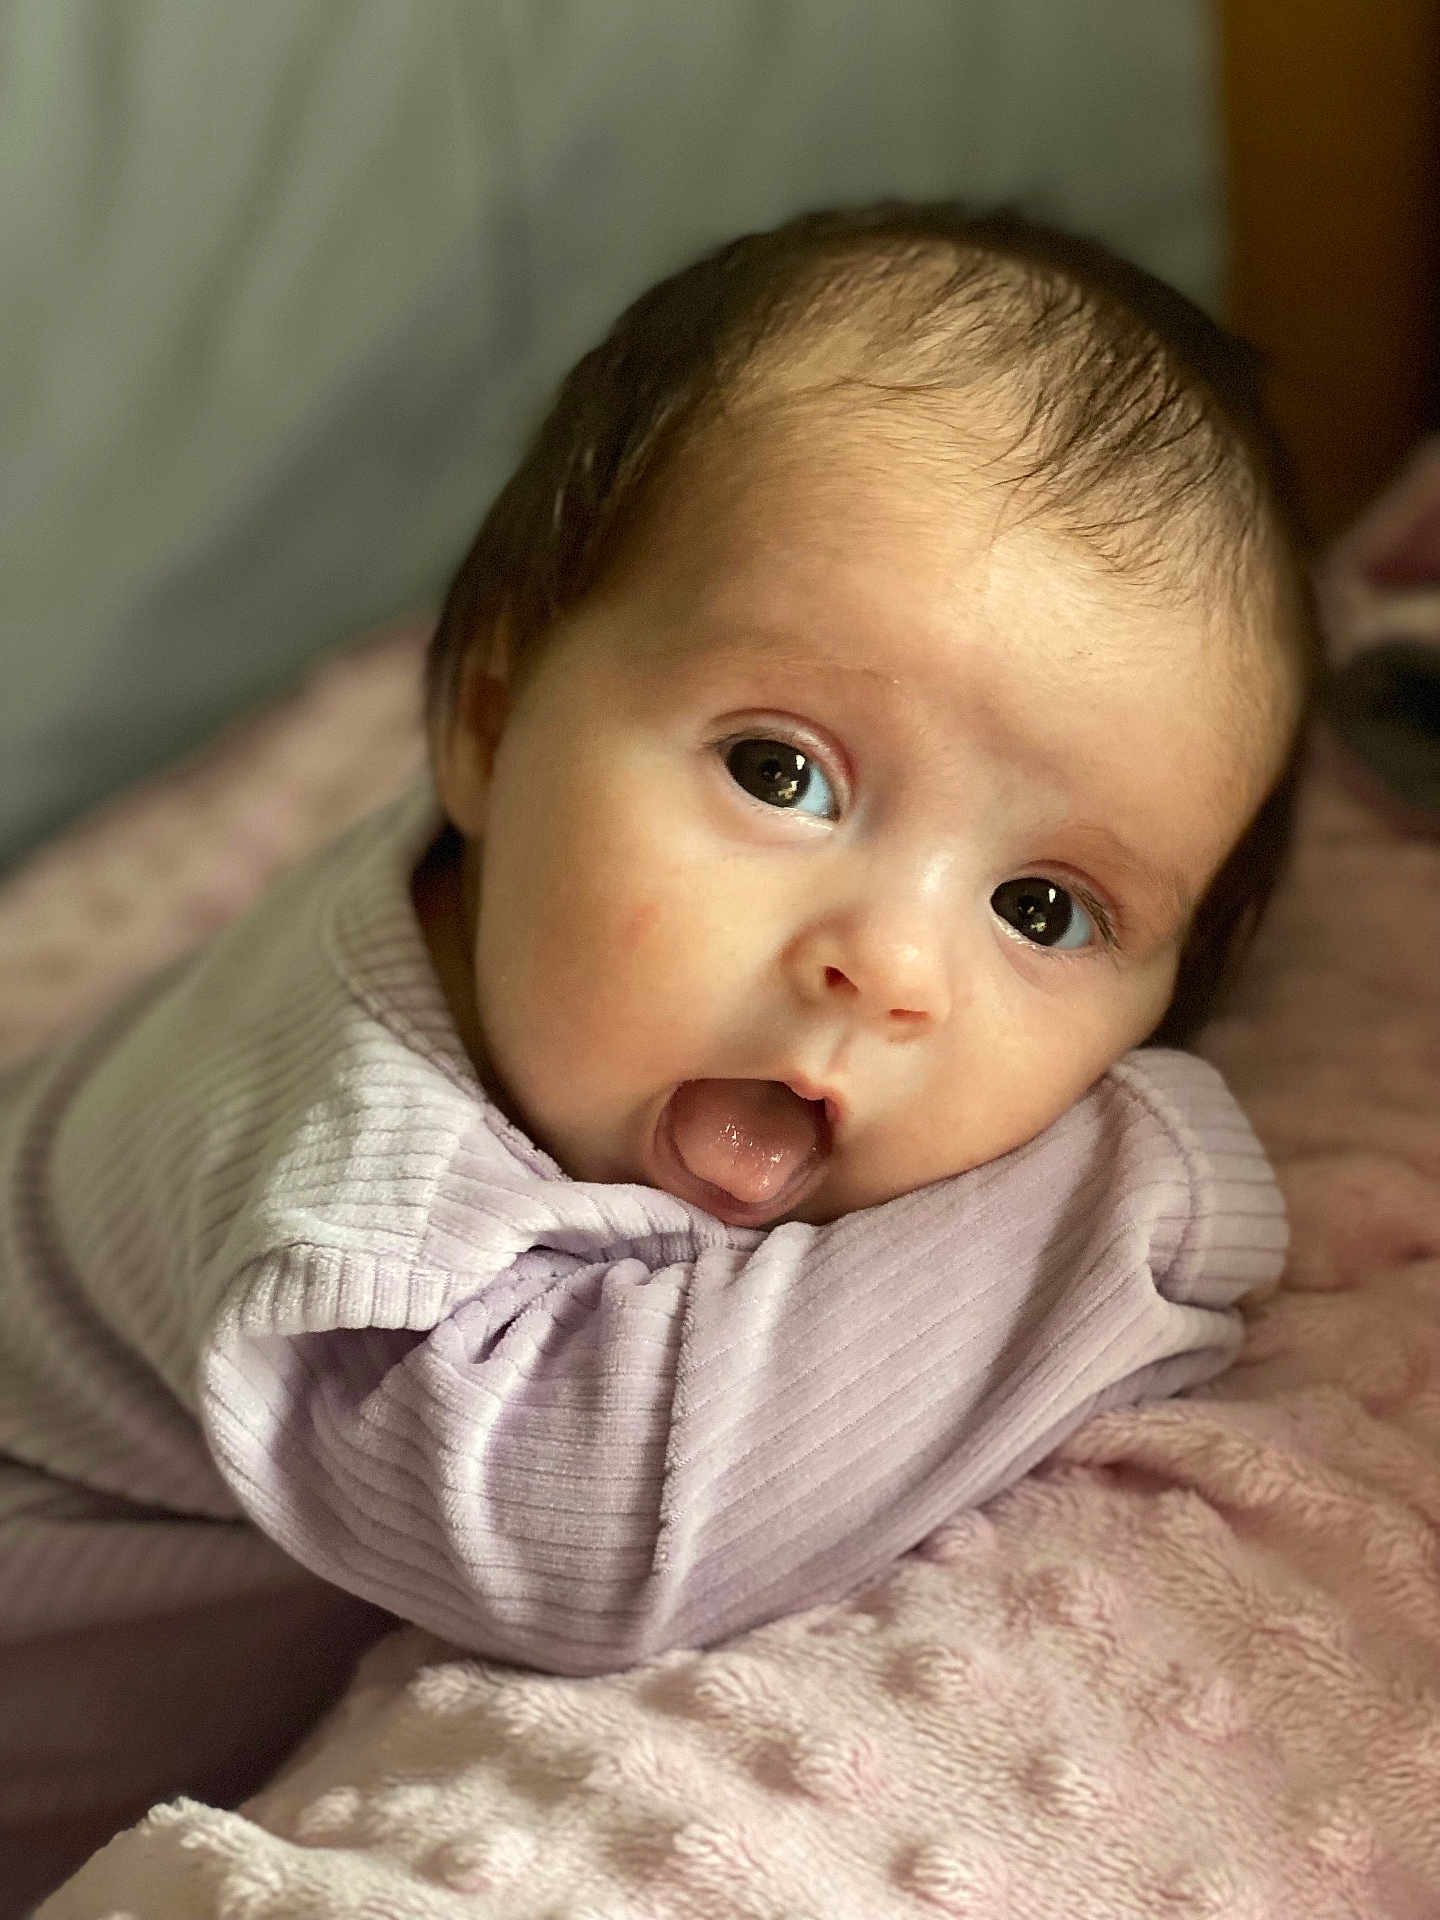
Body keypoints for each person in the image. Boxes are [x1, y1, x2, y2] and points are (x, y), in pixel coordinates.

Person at [1, 204, 1309, 1894]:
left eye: (1045, 911)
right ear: (489, 720)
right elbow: (587, 1529)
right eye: (782, 775)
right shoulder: (352, 1196)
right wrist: (1134, 1189)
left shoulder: (550, 917)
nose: (890, 964)